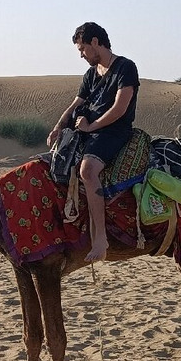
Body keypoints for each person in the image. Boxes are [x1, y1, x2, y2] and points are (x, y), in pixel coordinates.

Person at [47, 22, 140, 262]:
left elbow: (120, 108)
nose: (81, 54)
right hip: (87, 130)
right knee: (54, 163)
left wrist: (92, 126)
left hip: (114, 131)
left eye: (82, 49)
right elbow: (77, 104)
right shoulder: (91, 74)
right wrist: (59, 127)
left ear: (96, 42)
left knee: (87, 170)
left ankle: (100, 239)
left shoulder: (125, 68)